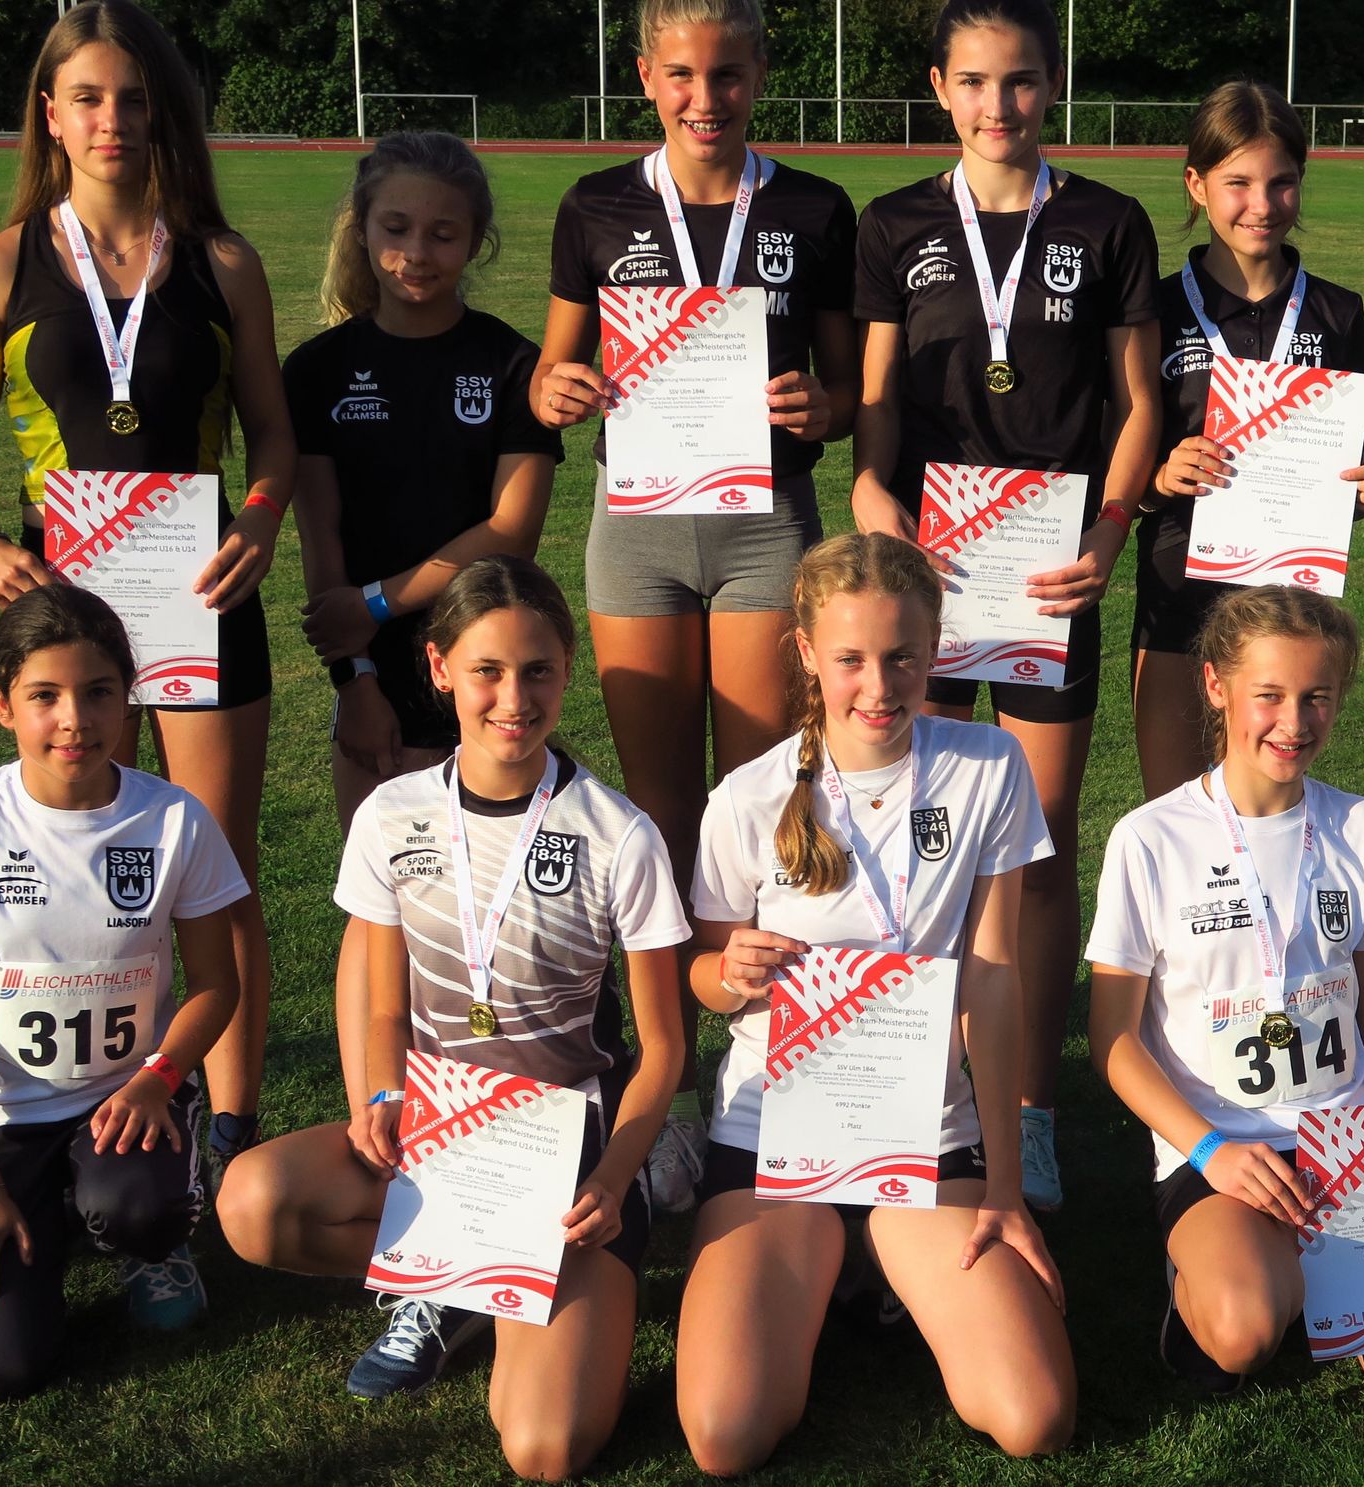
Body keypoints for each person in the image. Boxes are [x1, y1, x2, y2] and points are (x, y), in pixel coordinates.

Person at [0, 0, 295, 1176]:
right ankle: (80, 1108)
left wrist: (259, 518)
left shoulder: (223, 264)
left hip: (202, 597)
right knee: (82, 862)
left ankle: (227, 1130)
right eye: (86, 98)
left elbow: (273, 433)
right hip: (63, 613)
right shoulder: (1, 265)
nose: (112, 120)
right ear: (50, 113)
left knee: (218, 872)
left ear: (163, 112)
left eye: (134, 99)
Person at [218, 557, 686, 1481]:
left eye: (538, 670)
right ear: (439, 669)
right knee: (252, 1204)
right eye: (487, 671)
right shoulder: (392, 814)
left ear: (568, 669)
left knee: (546, 1446)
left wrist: (614, 1174)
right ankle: (463, 1283)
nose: (514, 698)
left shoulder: (618, 833)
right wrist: (378, 1095)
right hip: (441, 1140)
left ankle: (519, 1277)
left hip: (573, 1157)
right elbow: (380, 1000)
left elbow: (665, 1046)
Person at [530, 0, 860, 1217]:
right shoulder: (596, 206)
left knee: (765, 800)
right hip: (640, 529)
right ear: (644, 75)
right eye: (680, 74)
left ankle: (766, 1063)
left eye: (726, 73)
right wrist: (557, 389)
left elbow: (847, 389)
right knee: (659, 813)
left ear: (760, 73)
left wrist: (820, 408)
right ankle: (661, 1088)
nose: (704, 97)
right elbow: (550, 372)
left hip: (766, 523)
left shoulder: (812, 208)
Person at [851, 0, 1165, 1207]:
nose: (1000, 105)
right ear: (939, 86)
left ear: (1052, 82)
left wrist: (1107, 531)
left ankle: (1027, 1107)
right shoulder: (896, 223)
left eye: (1022, 79)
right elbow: (878, 392)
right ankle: (914, 1084)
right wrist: (870, 488)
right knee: (913, 832)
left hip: (1048, 569)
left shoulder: (1107, 220)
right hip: (928, 570)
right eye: (975, 81)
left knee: (1035, 844)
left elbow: (1138, 403)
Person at [675, 532, 1072, 1473]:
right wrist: (730, 970)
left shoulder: (989, 765)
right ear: (807, 652)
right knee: (727, 1434)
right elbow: (701, 972)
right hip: (776, 1132)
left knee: (1034, 1416)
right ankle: (841, 1264)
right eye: (850, 658)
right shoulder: (746, 797)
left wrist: (1005, 1187)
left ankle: (868, 1258)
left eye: (902, 656)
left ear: (935, 649)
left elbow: (993, 974)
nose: (879, 686)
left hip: (926, 1130)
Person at [279, 129, 564, 1398]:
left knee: (506, 921)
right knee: (392, 923)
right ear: (364, 229)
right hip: (375, 686)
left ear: (475, 239)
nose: (417, 253)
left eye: (443, 232)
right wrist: (353, 674)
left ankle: (536, 1140)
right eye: (396, 229)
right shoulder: (318, 369)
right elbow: (320, 547)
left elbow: (511, 530)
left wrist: (388, 605)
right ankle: (405, 1145)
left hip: (488, 676)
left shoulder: (510, 363)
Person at [1087, 585, 1364, 1429]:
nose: (1294, 722)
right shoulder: (1150, 838)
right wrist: (1209, 1151)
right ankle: (1228, 1273)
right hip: (1222, 1149)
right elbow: (1115, 1041)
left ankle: (1307, 1269)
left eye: (1317, 697)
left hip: (1352, 1144)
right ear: (1216, 686)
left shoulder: (1359, 826)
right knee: (1242, 1328)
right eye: (1269, 695)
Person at [0, 586, 248, 1395]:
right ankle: (38, 1211)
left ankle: (146, 1245)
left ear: (129, 698)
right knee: (0, 1368)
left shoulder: (175, 819)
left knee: (137, 1207)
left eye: (97, 692)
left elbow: (215, 984)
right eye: (44, 695)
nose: (75, 720)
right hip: (8, 1118)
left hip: (129, 1098)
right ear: (2, 704)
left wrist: (158, 1078)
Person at [1135, 80, 1364, 799]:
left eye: (1281, 182)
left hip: (1291, 600)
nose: (1262, 204)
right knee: (1176, 808)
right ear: (1196, 184)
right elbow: (1114, 457)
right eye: (1238, 183)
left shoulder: (1338, 313)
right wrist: (1159, 477)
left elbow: (1354, 460)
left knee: (1270, 805)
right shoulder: (1152, 309)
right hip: (1178, 585)